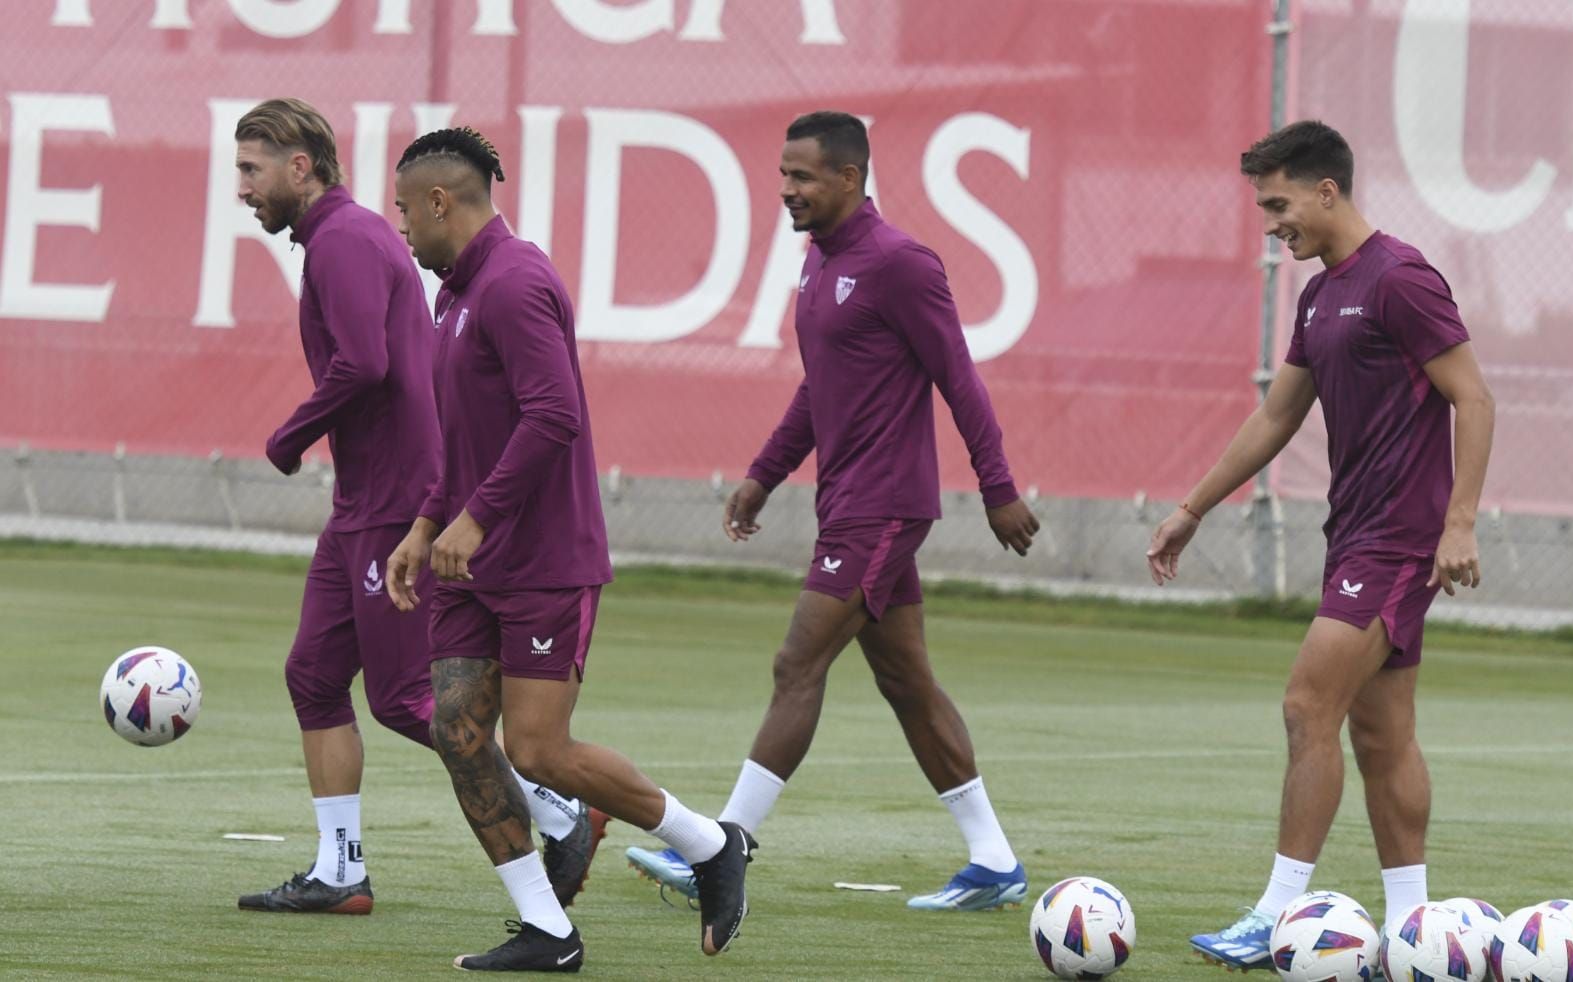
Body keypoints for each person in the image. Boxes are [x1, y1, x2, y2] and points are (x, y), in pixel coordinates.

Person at [624, 110, 1041, 912]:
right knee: (906, 680)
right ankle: (993, 861)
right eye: (783, 174)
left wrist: (998, 488)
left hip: (883, 507)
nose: (787, 190)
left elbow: (959, 377)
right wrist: (764, 474)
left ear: (850, 178)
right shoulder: (821, 263)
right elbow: (821, 387)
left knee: (796, 663)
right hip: (848, 500)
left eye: (803, 176)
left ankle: (722, 848)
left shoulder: (901, 264)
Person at [383, 127, 753, 972]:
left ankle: (709, 843)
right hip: (472, 562)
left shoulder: (515, 283)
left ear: (442, 201)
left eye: (405, 209)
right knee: (457, 729)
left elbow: (554, 416)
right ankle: (547, 929)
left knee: (539, 751)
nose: (401, 225)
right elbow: (465, 439)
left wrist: (475, 519)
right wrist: (427, 524)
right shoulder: (453, 295)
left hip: (544, 558)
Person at [230, 99, 603, 918]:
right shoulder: (340, 240)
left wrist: (291, 433)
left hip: (396, 500)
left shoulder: (347, 240)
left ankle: (561, 810)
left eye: (251, 169)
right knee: (314, 676)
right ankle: (340, 871)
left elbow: (364, 362)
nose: (242, 189)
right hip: (364, 499)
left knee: (406, 696)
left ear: (301, 167)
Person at [1146, 120, 1495, 971]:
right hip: (1356, 537)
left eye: (1278, 204)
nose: (1270, 224)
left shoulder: (1401, 278)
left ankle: (1276, 914)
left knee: (1307, 706)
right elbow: (1276, 415)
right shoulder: (1318, 294)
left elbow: (1475, 399)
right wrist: (1193, 507)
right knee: (1382, 736)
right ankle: (1413, 933)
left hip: (1400, 541)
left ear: (1326, 190)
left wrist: (1459, 523)